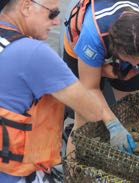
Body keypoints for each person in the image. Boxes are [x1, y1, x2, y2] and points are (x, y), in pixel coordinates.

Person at [63, 0, 139, 170]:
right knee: (83, 123)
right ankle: (72, 173)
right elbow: (89, 88)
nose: (135, 64)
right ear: (116, 50)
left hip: (129, 52)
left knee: (134, 113)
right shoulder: (93, 34)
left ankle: (125, 170)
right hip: (84, 52)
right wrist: (113, 124)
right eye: (130, 61)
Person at [0, 0, 105, 182]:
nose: (57, 22)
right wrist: (99, 70)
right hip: (14, 174)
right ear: (26, 7)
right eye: (52, 13)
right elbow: (94, 111)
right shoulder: (35, 53)